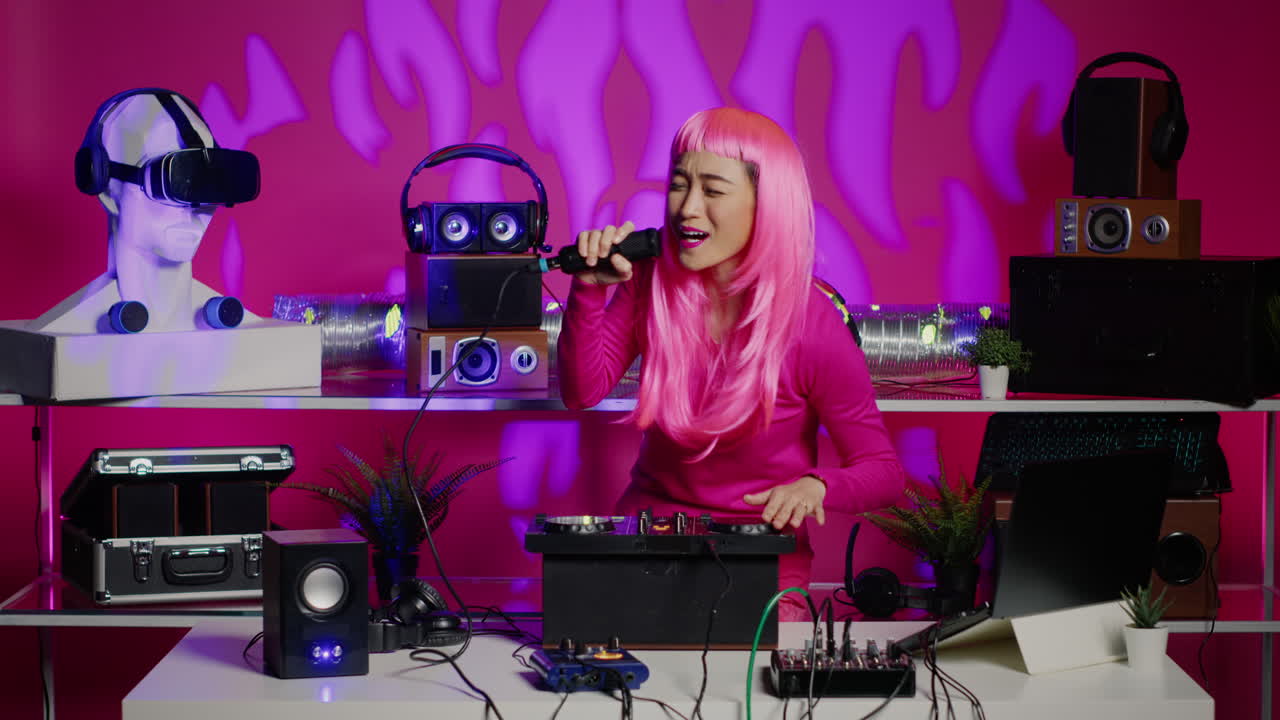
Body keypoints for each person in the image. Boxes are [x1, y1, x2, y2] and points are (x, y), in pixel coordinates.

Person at [558, 107, 905, 620]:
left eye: (713, 191)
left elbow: (885, 472)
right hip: (648, 544)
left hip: (761, 560)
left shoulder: (812, 324)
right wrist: (586, 291)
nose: (687, 208)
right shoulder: (647, 282)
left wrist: (818, 485)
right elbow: (582, 391)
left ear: (766, 206)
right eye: (679, 185)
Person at [32, 89, 256, 334]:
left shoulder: (246, 328)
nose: (193, 208)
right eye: (171, 179)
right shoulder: (63, 333)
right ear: (107, 191)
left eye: (206, 181)